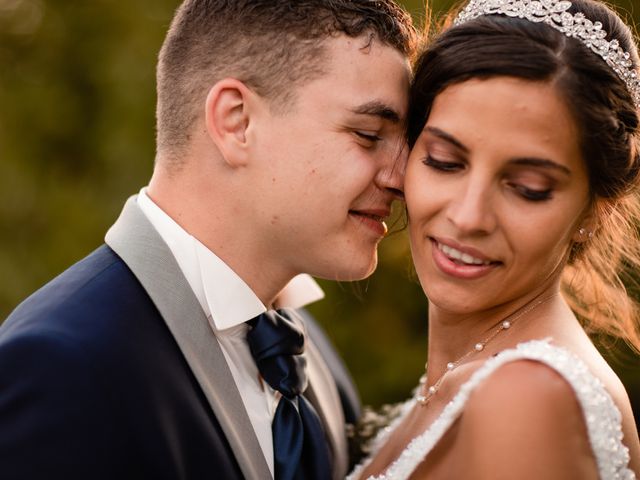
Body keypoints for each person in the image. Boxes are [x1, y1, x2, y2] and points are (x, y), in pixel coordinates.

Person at [0, 1, 416, 479]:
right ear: (236, 120)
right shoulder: (61, 368)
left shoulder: (301, 350)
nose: (401, 177)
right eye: (368, 135)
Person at [349, 0, 640, 478]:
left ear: (594, 211)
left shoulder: (527, 398)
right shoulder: (468, 381)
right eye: (445, 161)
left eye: (528, 189)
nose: (468, 217)